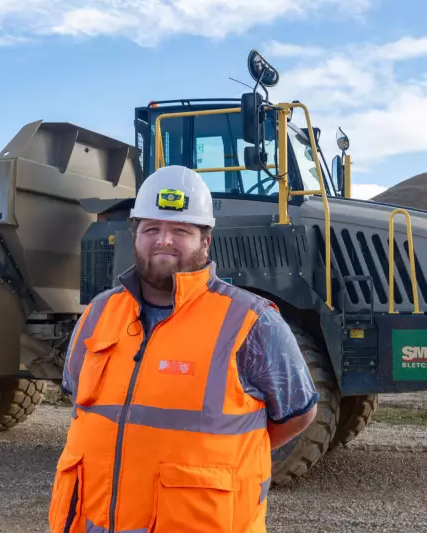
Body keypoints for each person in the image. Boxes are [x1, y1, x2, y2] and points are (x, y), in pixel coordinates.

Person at [49, 165, 319, 533]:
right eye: (152, 229)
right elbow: (80, 402)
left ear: (205, 240)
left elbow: (297, 415)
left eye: (181, 230)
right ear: (135, 235)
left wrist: (227, 453)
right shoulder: (99, 312)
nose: (164, 240)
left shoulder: (252, 321)